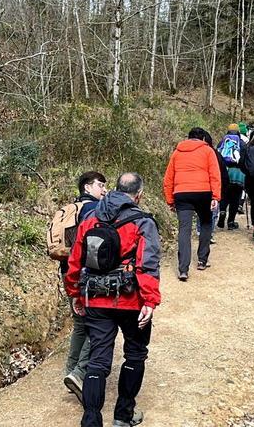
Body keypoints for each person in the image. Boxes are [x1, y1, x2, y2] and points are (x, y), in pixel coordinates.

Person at [65, 172, 161, 427]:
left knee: (97, 359)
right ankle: (123, 415)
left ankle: (91, 420)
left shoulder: (90, 218)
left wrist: (75, 292)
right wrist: (150, 301)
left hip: (95, 299)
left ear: (115, 189)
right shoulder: (143, 222)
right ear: (138, 194)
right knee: (135, 354)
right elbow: (147, 265)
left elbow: (75, 259)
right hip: (131, 300)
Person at [63, 171, 108, 404]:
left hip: (67, 271)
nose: (104, 190)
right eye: (100, 185)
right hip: (84, 274)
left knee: (79, 324)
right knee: (97, 325)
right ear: (87, 187)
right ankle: (79, 373)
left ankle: (70, 372)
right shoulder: (92, 210)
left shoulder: (71, 208)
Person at [162, 127, 221, 280]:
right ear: (202, 139)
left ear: (187, 138)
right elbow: (215, 175)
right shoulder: (208, 151)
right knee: (206, 223)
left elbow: (168, 179)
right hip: (203, 193)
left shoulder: (177, 153)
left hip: (182, 194)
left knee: (184, 230)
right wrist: (216, 197)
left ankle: (183, 269)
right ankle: (202, 260)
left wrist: (170, 200)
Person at [216, 124, 245, 230]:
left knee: (224, 195)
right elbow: (244, 158)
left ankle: (222, 211)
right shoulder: (241, 143)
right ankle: (231, 221)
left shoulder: (223, 142)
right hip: (238, 174)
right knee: (236, 198)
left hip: (225, 173)